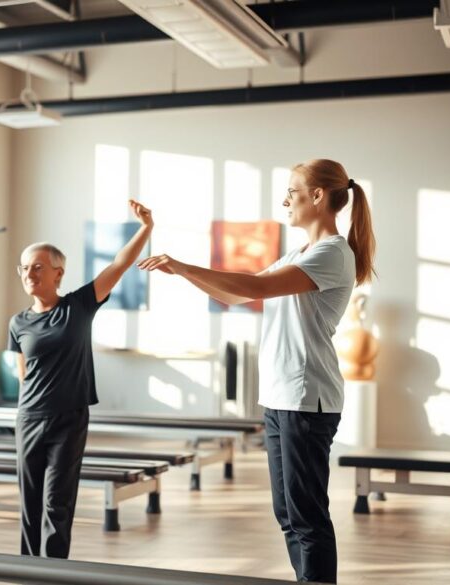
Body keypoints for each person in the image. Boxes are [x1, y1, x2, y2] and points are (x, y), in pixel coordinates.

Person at [138, 159, 375, 583]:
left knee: (306, 516)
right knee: (287, 513)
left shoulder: (332, 253)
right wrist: (181, 272)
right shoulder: (298, 252)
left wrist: (187, 265)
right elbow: (234, 295)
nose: (285, 200)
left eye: (293, 191)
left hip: (307, 399)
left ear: (318, 196)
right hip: (281, 397)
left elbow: (256, 287)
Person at [8, 199, 153, 558]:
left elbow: (119, 265)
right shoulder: (17, 322)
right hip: (29, 419)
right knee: (29, 503)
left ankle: (53, 571)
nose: (30, 274)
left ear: (58, 272)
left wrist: (146, 228)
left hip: (69, 420)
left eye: (38, 267)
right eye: (25, 268)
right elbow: (22, 369)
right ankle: (26, 570)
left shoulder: (78, 307)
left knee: (58, 502)